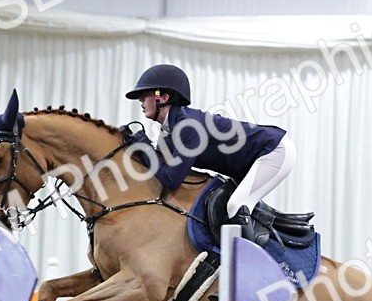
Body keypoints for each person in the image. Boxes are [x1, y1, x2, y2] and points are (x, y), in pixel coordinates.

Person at [123, 64, 296, 233]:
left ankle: (247, 262)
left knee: (236, 206)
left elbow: (171, 179)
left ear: (163, 98)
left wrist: (143, 146)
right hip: (257, 156)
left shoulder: (188, 126)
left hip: (274, 150)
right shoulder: (170, 132)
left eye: (145, 95)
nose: (140, 100)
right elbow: (159, 167)